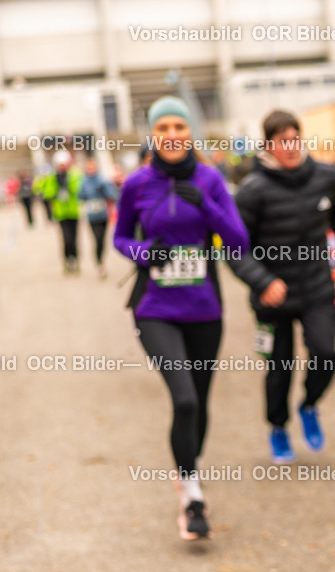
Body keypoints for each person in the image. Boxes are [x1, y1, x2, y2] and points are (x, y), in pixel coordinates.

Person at [113, 95, 249, 540]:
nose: (172, 135)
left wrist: (207, 207)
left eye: (179, 127)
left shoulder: (211, 179)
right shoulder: (136, 184)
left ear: (191, 132)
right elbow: (120, 238)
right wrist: (143, 252)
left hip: (204, 307)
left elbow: (238, 242)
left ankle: (188, 465)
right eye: (163, 128)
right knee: (184, 399)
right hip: (155, 308)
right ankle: (191, 494)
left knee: (202, 402)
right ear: (152, 135)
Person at [228, 110, 335, 463]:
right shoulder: (252, 191)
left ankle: (310, 405)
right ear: (268, 145)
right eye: (283, 141)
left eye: (295, 138)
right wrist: (263, 282)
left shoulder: (325, 176)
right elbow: (235, 249)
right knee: (279, 368)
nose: (291, 147)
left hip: (316, 288)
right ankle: (278, 428)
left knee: (326, 355)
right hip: (272, 299)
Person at [39, 151, 83, 274]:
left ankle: (76, 259)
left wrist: (69, 181)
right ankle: (67, 260)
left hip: (73, 211)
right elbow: (48, 193)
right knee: (66, 238)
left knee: (75, 238)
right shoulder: (52, 177)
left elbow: (78, 189)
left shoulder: (74, 175)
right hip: (61, 212)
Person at [78, 157, 118, 278]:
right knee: (97, 238)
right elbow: (80, 196)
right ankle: (99, 262)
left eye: (93, 167)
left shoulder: (102, 180)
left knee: (103, 240)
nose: (91, 170)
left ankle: (102, 259)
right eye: (89, 168)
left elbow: (112, 194)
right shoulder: (83, 182)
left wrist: (104, 189)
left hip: (102, 214)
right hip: (92, 216)